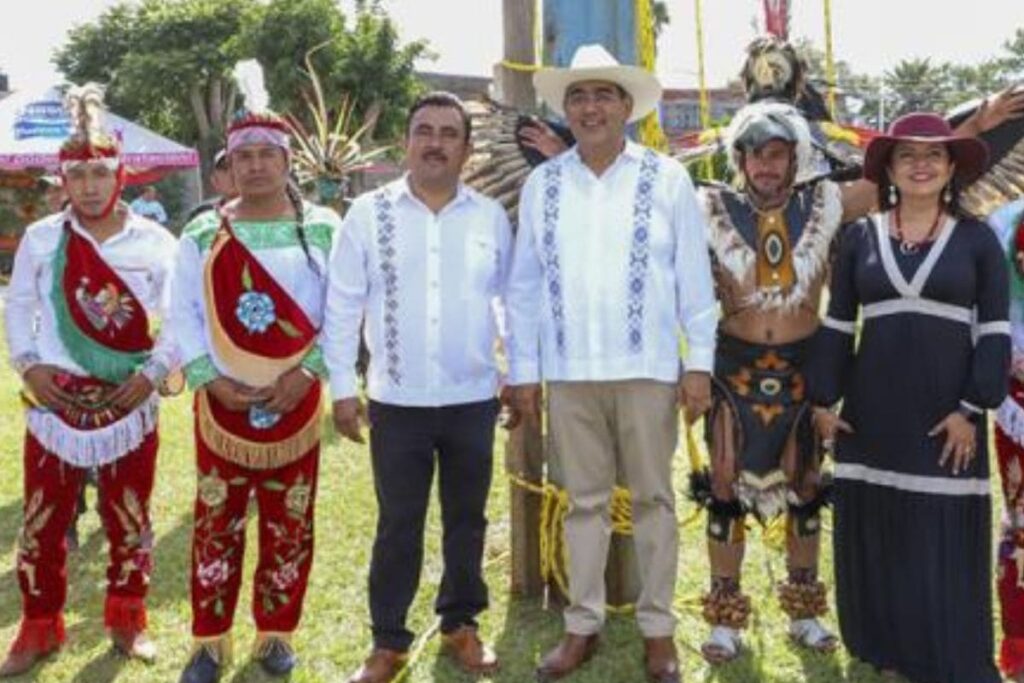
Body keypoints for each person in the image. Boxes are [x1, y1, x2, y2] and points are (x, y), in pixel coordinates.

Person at [504, 44, 718, 683]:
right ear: (565, 108)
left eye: (603, 95)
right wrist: (523, 372)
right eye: (578, 96)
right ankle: (582, 626)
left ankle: (659, 631)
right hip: (570, 372)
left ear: (627, 106)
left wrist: (698, 363)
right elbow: (523, 286)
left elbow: (692, 278)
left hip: (649, 368)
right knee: (582, 504)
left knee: (653, 500)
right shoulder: (543, 183)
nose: (590, 106)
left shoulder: (667, 178)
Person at [810, 112, 1010, 683]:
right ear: (890, 169)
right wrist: (825, 401)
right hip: (873, 418)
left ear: (951, 168)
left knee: (936, 533)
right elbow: (838, 323)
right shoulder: (859, 238)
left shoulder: (977, 241)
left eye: (934, 156)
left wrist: (971, 408)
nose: (921, 165)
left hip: (947, 419)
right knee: (880, 532)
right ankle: (886, 649)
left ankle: (942, 654)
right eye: (907, 156)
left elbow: (993, 331)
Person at [327, 91, 507, 683]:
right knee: (398, 522)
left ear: (466, 147)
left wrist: (520, 375)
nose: (435, 142)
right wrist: (341, 388)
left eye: (448, 133)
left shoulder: (489, 217)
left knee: (467, 518)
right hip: (396, 399)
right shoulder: (367, 214)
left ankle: (461, 623)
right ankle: (388, 641)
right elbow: (343, 304)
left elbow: (512, 301)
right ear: (406, 142)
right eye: (423, 131)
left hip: (473, 396)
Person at [0, 84, 178, 676]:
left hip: (129, 401)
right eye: (79, 177)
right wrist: (30, 364)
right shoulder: (44, 238)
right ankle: (37, 626)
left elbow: (181, 318)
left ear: (119, 175)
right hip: (54, 404)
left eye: (101, 173)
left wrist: (153, 374)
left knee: (129, 515)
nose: (91, 186)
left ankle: (128, 621)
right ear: (64, 181)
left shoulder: (155, 241)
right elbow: (17, 305)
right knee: (43, 520)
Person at [173, 105, 340, 683]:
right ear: (228, 165)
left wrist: (307, 373)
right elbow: (184, 315)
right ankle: (209, 641)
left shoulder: (321, 226)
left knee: (289, 521)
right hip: (220, 404)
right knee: (215, 520)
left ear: (288, 161)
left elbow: (340, 313)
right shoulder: (201, 231)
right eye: (243, 156)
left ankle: (275, 634)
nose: (256, 166)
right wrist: (211, 379)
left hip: (295, 402)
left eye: (267, 154)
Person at [693, 101, 842, 663]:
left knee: (806, 487)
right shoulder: (707, 205)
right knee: (725, 488)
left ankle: (804, 612)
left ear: (794, 158)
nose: (765, 165)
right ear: (740, 159)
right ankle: (725, 618)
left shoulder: (826, 202)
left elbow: (902, 176)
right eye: (755, 154)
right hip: (734, 371)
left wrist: (973, 128)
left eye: (776, 154)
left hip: (803, 371)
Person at [989, 196, 1024, 683]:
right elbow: (986, 313)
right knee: (1020, 517)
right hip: (1018, 395)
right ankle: (1020, 645)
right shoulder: (1005, 222)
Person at [185, 149, 239, 222]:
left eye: (236, 167)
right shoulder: (200, 215)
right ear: (215, 181)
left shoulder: (258, 214)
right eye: (225, 168)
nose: (232, 174)